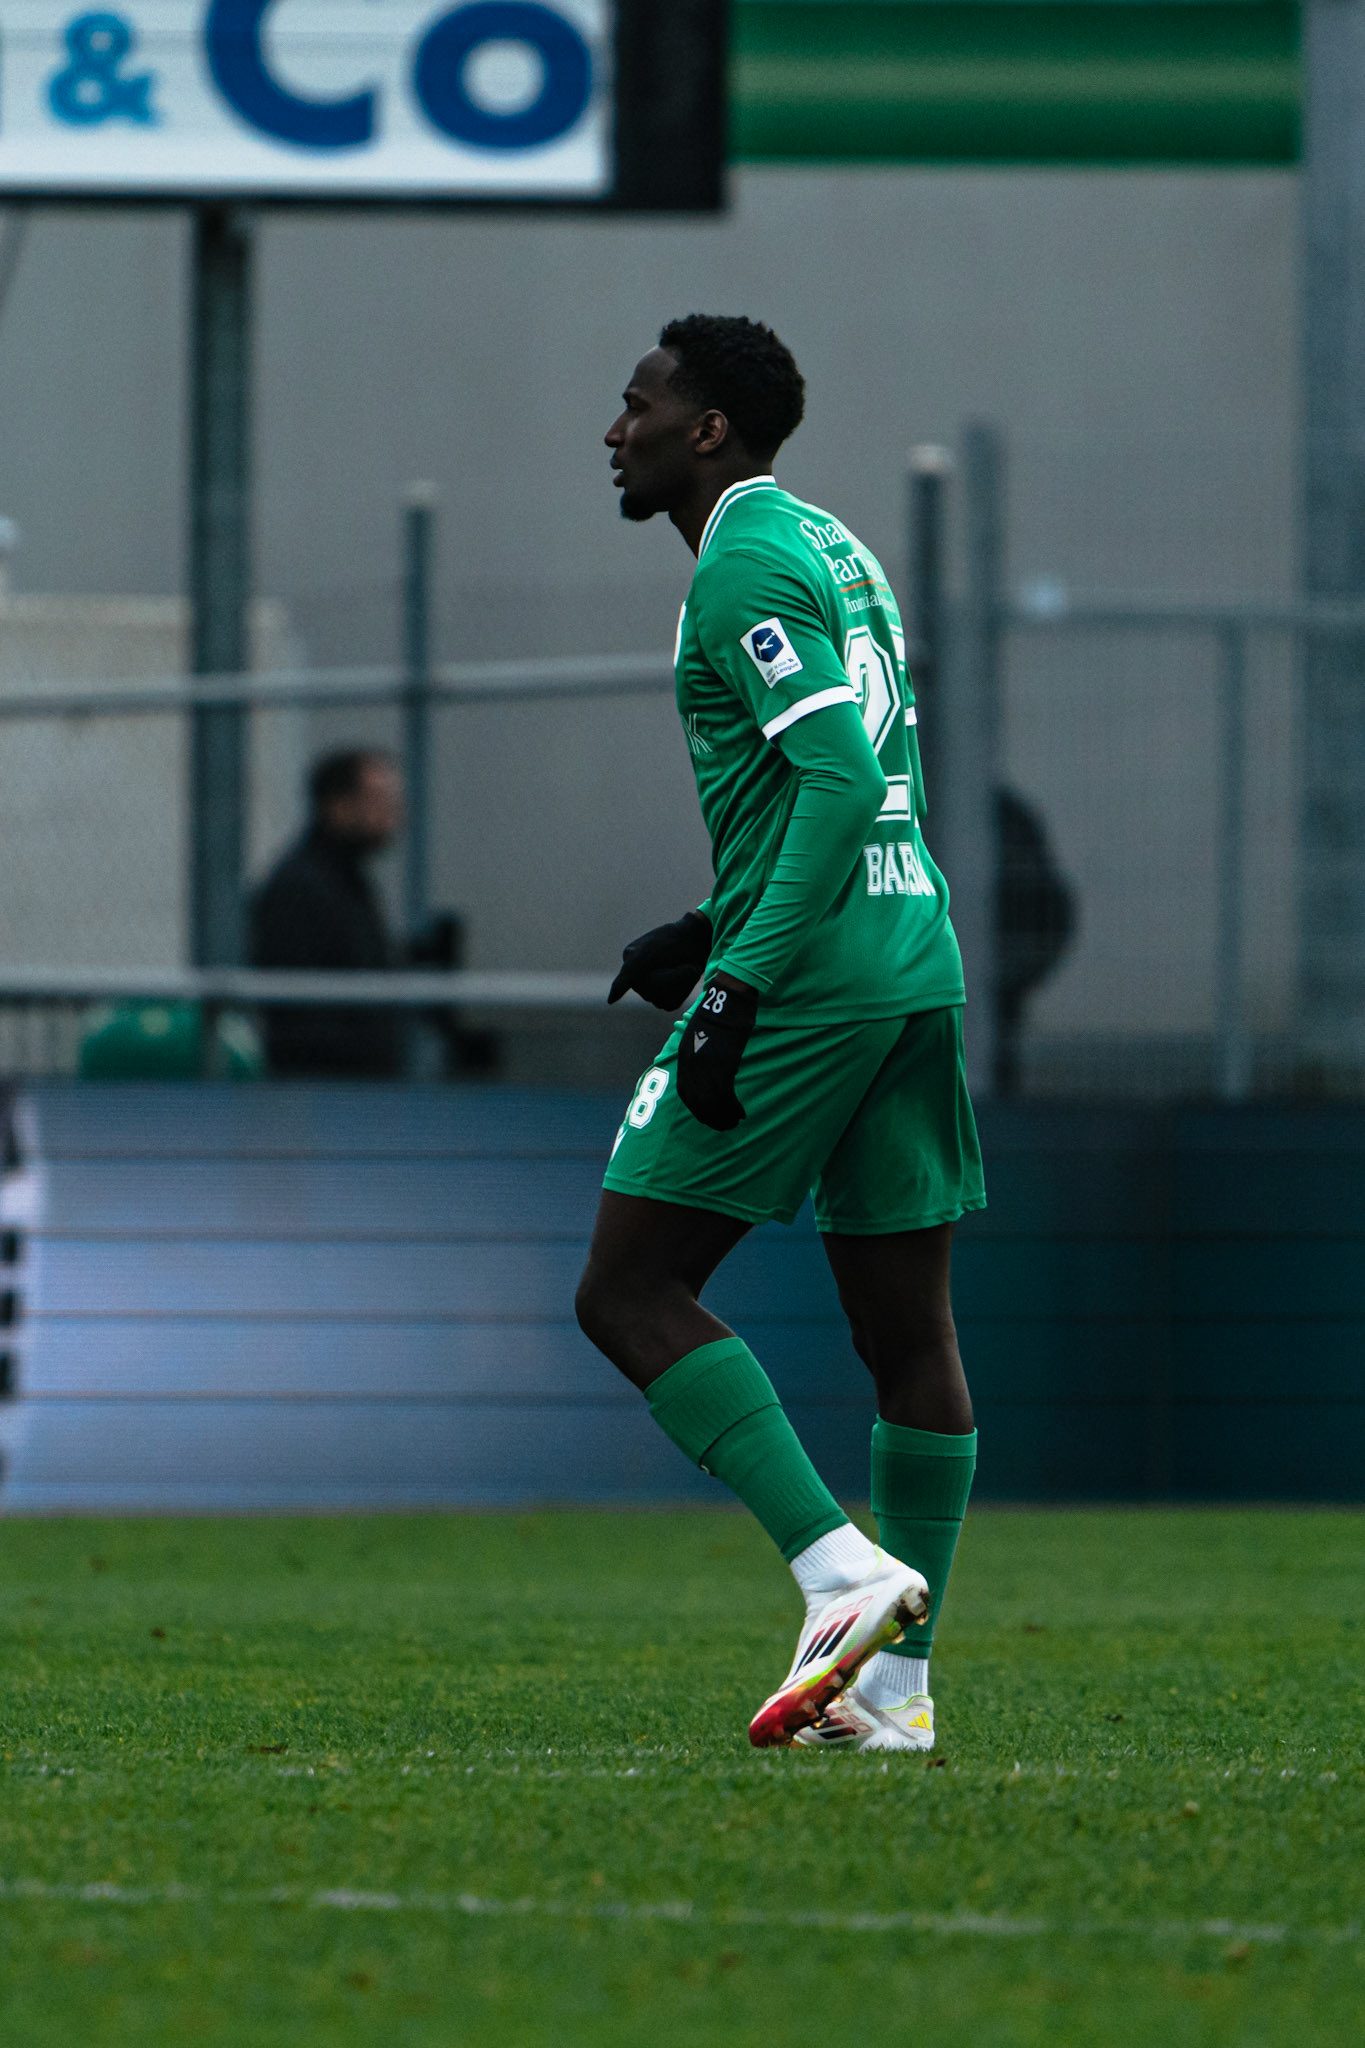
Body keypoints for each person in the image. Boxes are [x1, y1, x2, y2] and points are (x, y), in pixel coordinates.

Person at [575, 316, 986, 1753]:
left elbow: (825, 772)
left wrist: (736, 976)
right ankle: (895, 1692)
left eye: (636, 406)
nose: (612, 431)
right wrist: (711, 914)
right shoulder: (836, 545)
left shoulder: (741, 557)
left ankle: (836, 1571)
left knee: (628, 1291)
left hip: (811, 975)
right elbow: (859, 779)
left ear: (704, 430)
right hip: (908, 951)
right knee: (904, 1333)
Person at [250, 749, 408, 1078]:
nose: (392, 811)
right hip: (324, 1091)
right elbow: (292, 1009)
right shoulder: (301, 885)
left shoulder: (348, 879)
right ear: (338, 805)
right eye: (377, 797)